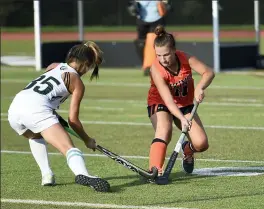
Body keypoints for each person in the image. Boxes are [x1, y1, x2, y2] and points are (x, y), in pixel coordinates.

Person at [7, 41, 110, 192]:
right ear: (86, 63)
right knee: (68, 148)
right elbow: (73, 120)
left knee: (35, 135)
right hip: (37, 109)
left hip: (15, 108)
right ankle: (83, 174)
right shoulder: (77, 82)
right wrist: (87, 139)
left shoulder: (53, 66)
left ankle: (47, 175)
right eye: (89, 67)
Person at [147, 25, 215, 178]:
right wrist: (182, 118)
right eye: (158, 55)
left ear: (174, 50)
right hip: (161, 103)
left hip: (185, 104)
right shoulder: (156, 69)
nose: (162, 59)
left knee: (202, 144)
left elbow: (209, 72)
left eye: (166, 54)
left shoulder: (186, 58)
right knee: (165, 131)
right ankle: (154, 169)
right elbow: (168, 100)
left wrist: (199, 87)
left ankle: (188, 149)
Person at [128, 0, 170, 76]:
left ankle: (159, 65)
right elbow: (132, 4)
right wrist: (133, 6)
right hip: (142, 19)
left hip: (157, 18)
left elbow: (166, 4)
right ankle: (146, 64)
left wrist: (165, 5)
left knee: (158, 43)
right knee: (140, 43)